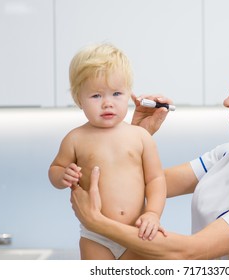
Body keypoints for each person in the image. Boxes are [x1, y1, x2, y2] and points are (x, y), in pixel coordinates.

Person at [70, 45, 229, 260]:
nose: (227, 100)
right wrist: (134, 137)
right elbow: (144, 186)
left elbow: (189, 251)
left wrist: (96, 223)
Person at [48, 43, 167, 260]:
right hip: (95, 236)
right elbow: (55, 169)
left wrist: (153, 213)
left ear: (129, 95)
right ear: (78, 99)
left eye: (116, 93)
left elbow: (156, 179)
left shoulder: (140, 136)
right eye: (96, 96)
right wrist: (62, 175)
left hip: (136, 232)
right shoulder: (75, 138)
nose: (107, 103)